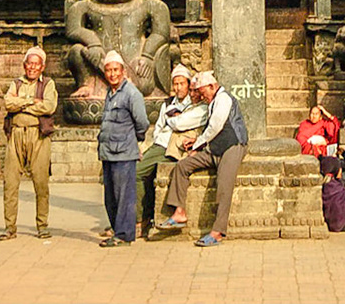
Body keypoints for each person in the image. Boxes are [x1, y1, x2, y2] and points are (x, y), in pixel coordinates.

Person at [157, 69, 246, 247]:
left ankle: (217, 232)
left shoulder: (223, 99)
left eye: (203, 92)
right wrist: (196, 142)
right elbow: (209, 130)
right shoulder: (212, 102)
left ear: (212, 87)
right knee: (182, 166)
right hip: (214, 148)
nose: (202, 97)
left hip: (232, 146)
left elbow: (215, 127)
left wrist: (197, 145)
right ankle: (179, 212)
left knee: (224, 185)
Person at [138, 64, 207, 238]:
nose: (178, 88)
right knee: (140, 172)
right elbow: (158, 128)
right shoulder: (168, 104)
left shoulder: (198, 105)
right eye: (175, 84)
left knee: (137, 172)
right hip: (159, 144)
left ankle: (139, 219)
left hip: (174, 148)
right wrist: (172, 120)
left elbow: (181, 123)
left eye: (182, 83)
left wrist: (174, 119)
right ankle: (141, 217)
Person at [1, 46, 57, 241]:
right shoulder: (16, 83)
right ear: (24, 65)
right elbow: (8, 103)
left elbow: (49, 107)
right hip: (16, 134)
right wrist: (31, 101)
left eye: (36, 64)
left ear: (42, 67)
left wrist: (21, 104)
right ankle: (9, 228)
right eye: (29, 64)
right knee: (10, 182)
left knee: (41, 182)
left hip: (38, 135)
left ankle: (42, 226)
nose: (32, 67)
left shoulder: (48, 84)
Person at [97, 51, 149, 247]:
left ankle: (124, 235)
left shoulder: (132, 94)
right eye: (109, 71)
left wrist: (134, 140)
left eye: (115, 70)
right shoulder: (110, 94)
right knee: (110, 197)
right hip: (108, 152)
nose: (112, 74)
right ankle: (117, 230)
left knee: (124, 197)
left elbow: (142, 122)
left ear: (123, 71)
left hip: (124, 153)